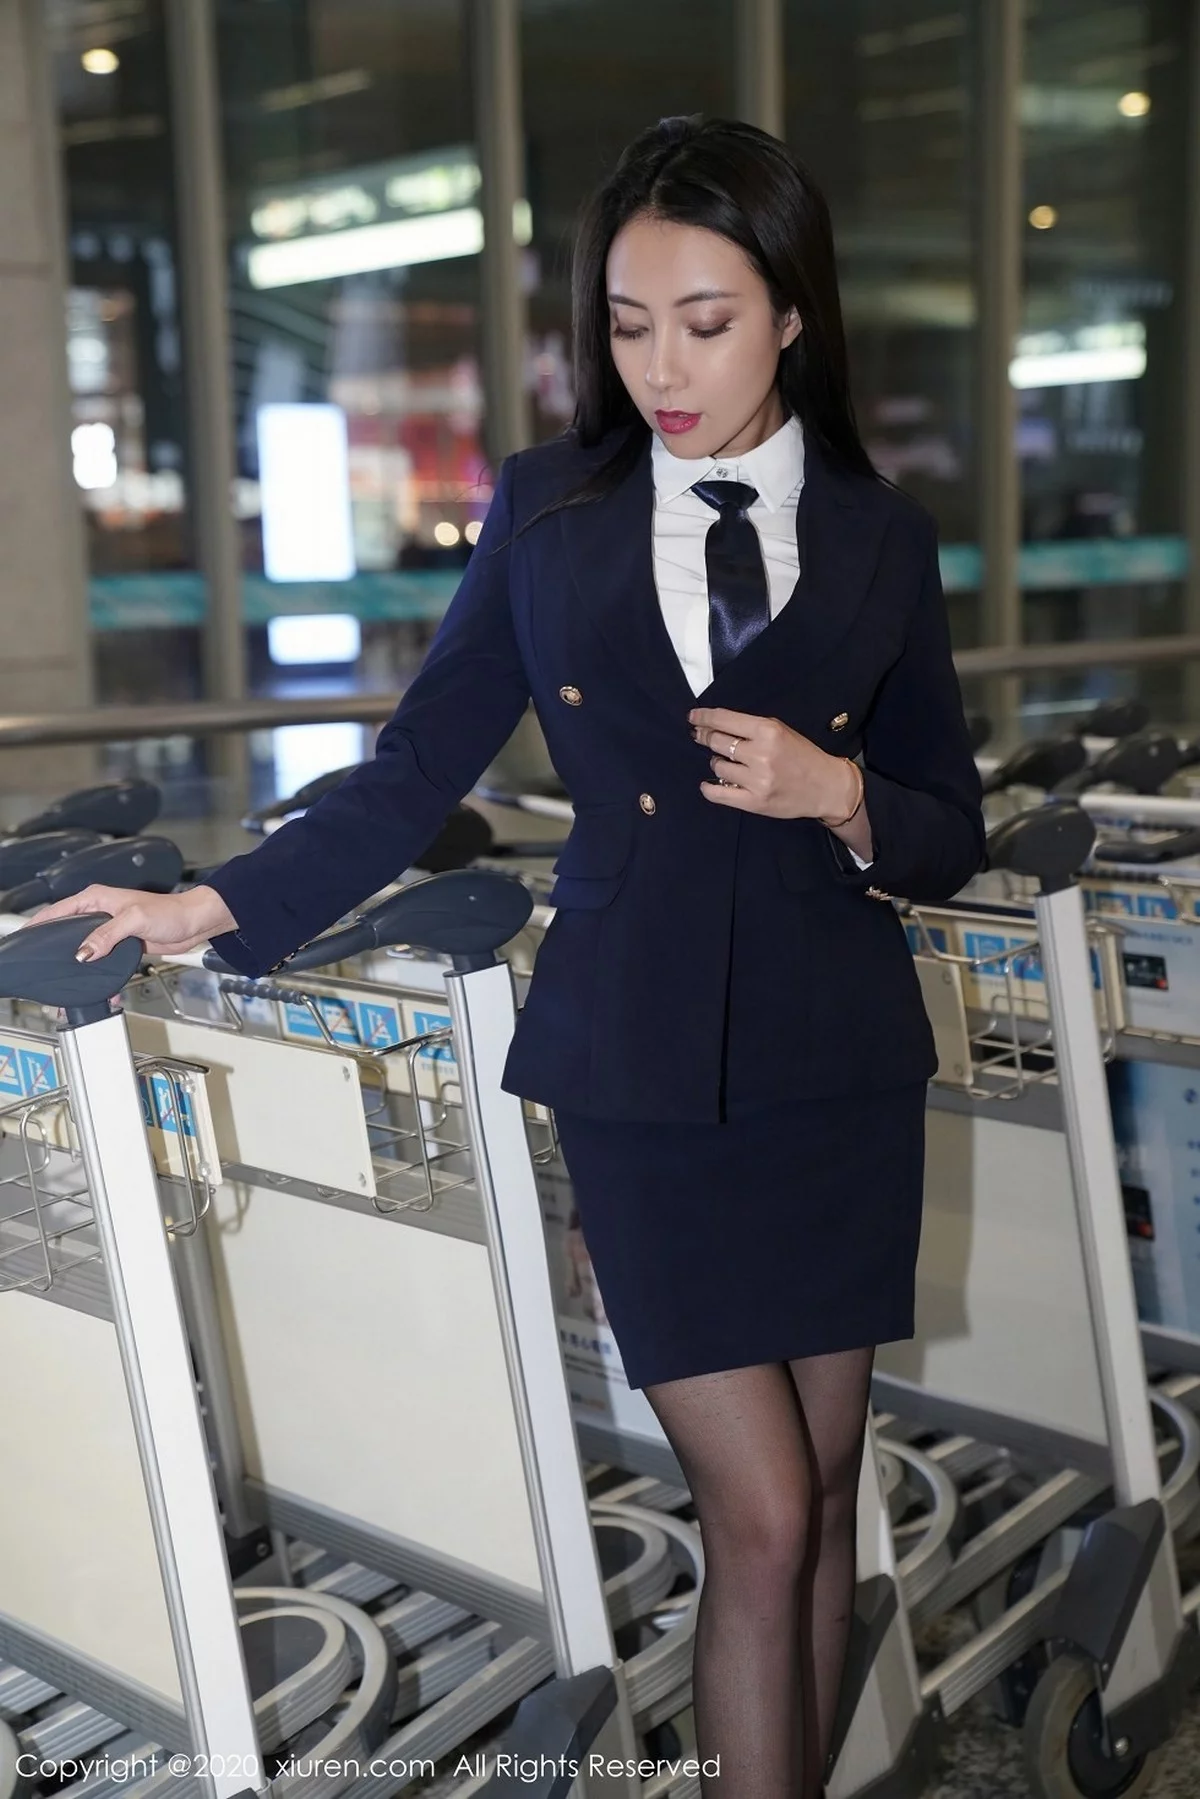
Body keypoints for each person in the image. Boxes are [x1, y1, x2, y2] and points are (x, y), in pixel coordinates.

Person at [38, 116, 985, 1799]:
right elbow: (418, 766)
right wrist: (214, 905)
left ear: (790, 316)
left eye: (705, 321)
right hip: (637, 1067)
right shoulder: (552, 509)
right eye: (627, 325)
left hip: (833, 1063)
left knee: (829, 1495)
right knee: (764, 1509)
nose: (661, 368)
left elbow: (948, 828)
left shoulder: (879, 534)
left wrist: (841, 793)